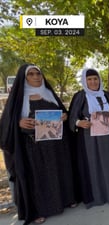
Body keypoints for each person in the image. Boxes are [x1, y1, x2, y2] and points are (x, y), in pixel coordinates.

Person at [0, 64, 78, 225]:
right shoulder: (18, 98)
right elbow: (7, 123)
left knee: (60, 173)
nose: (36, 77)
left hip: (57, 146)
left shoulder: (49, 93)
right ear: (24, 78)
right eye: (31, 74)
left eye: (38, 73)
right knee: (38, 178)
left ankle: (66, 200)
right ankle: (39, 211)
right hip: (34, 148)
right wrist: (19, 122)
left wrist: (64, 116)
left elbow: (63, 113)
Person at [68, 68, 109, 208]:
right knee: (94, 166)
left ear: (99, 80)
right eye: (90, 79)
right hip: (90, 140)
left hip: (108, 137)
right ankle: (97, 197)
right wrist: (79, 122)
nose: (93, 82)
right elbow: (72, 117)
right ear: (85, 81)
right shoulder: (80, 96)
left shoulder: (106, 94)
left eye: (95, 79)